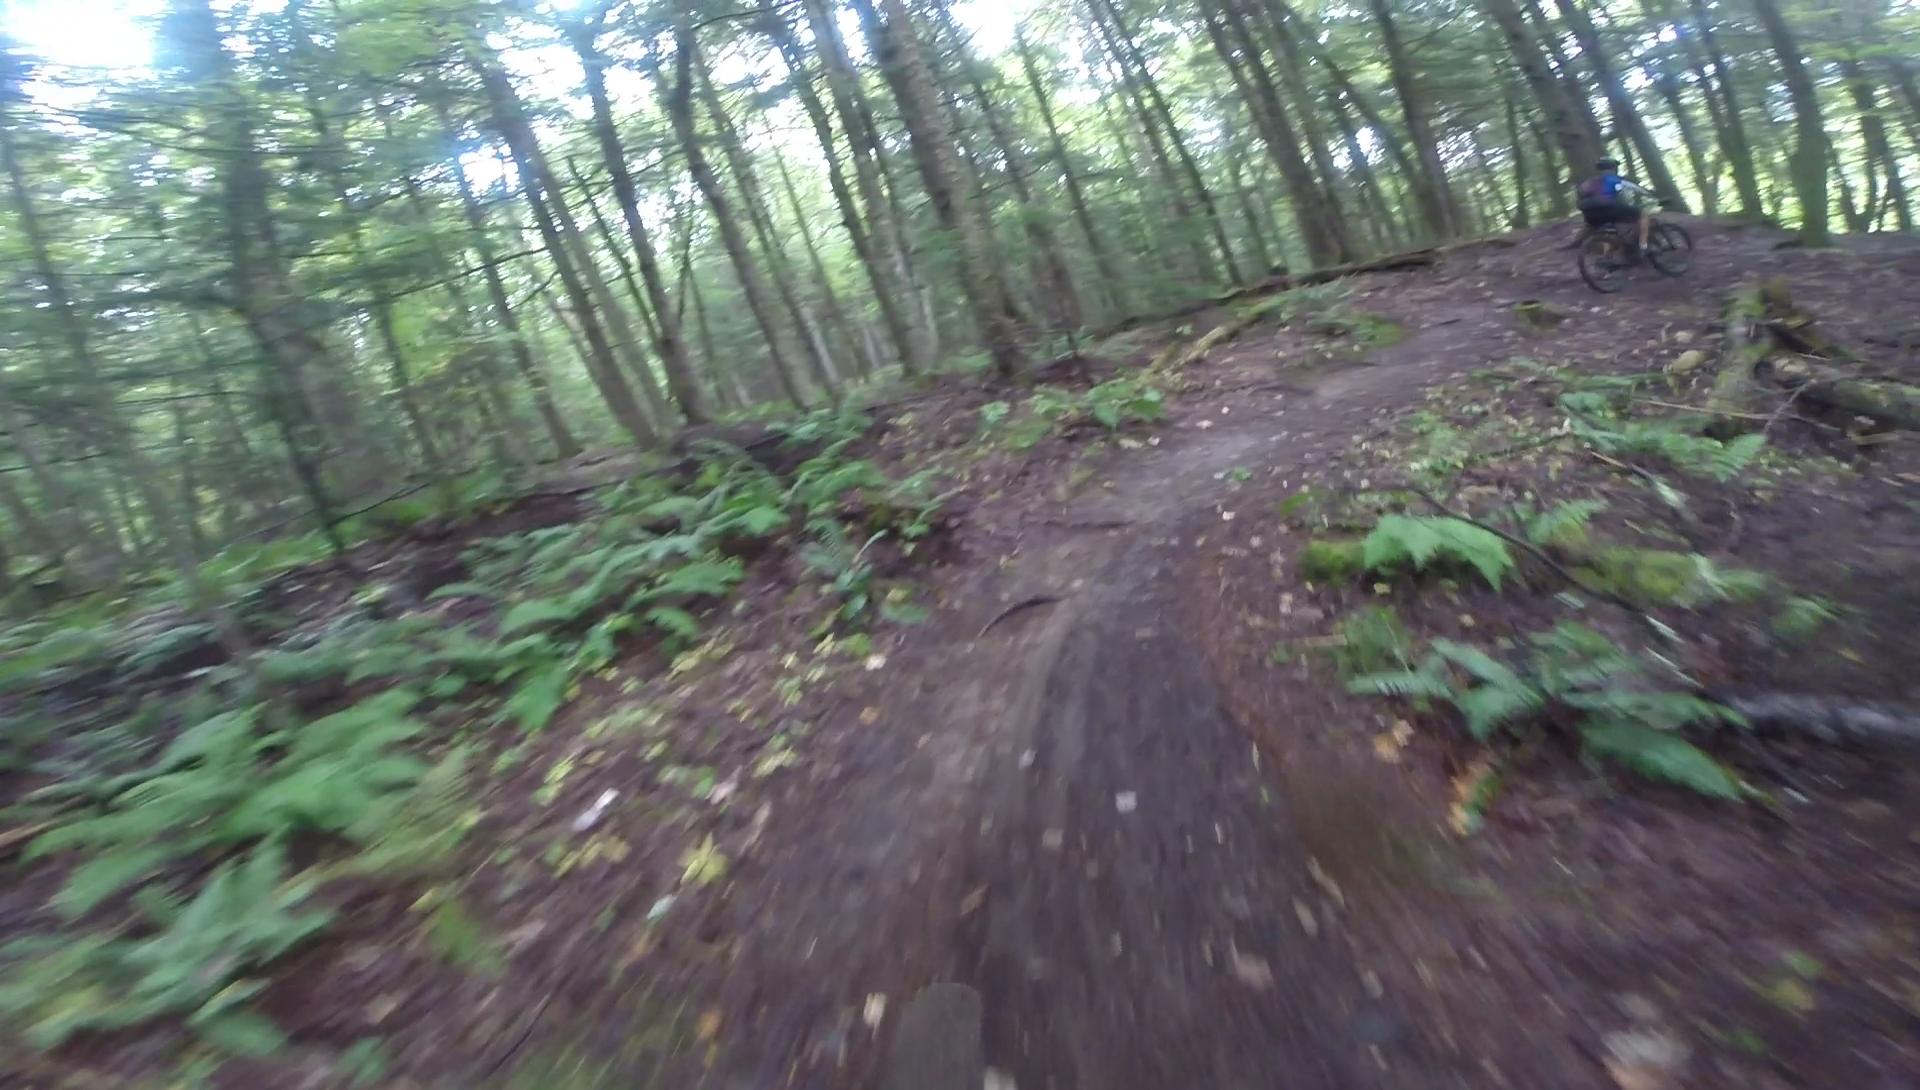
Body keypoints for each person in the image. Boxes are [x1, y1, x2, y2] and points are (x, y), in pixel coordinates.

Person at [1576, 158, 1655, 257]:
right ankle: (1643, 246)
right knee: (1643, 214)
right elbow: (1636, 189)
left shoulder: (1590, 181)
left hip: (1589, 213)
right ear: (1613, 168)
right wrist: (1652, 195)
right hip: (1608, 208)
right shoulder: (1614, 179)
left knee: (1611, 233)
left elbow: (1580, 194)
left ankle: (1605, 257)